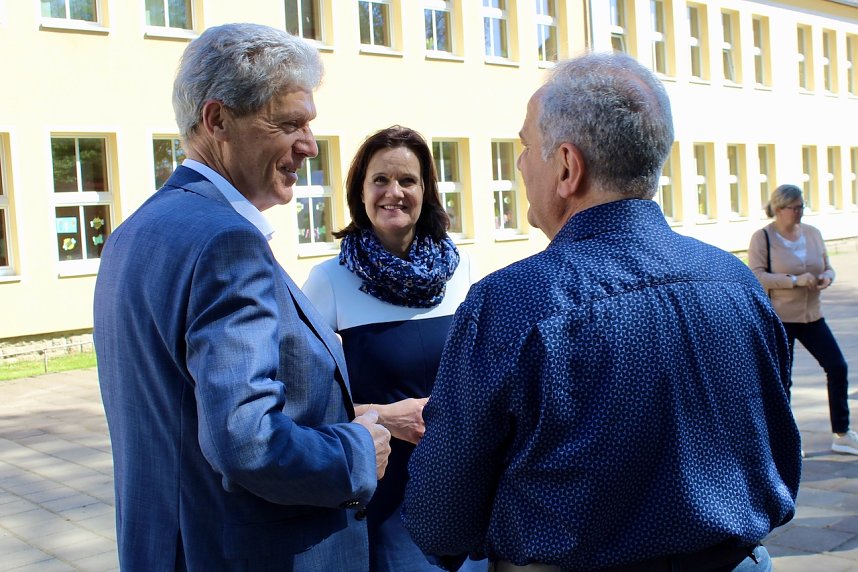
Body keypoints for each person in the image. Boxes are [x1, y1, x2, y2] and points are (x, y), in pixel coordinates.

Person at [402, 51, 801, 572]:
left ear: (567, 166)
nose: (520, 163)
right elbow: (777, 451)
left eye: (525, 147)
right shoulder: (736, 283)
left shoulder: (513, 302)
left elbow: (442, 517)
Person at [93, 23, 391, 571]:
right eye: (288, 123)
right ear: (217, 120)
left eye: (309, 124)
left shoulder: (135, 232)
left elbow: (182, 410)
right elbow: (247, 441)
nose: (309, 145)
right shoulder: (226, 242)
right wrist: (354, 453)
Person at [303, 126, 485, 571]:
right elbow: (303, 404)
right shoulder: (329, 283)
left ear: (426, 190)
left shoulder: (462, 272)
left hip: (464, 490)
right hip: (386, 497)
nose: (394, 192)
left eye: (408, 180)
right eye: (380, 180)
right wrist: (384, 416)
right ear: (360, 193)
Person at [749, 184, 855, 455]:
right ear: (778, 209)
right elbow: (757, 276)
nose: (798, 212)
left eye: (801, 207)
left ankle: (841, 433)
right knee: (783, 379)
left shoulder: (813, 233)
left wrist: (827, 277)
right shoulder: (763, 237)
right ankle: (786, 441)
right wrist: (795, 281)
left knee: (838, 367)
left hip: (812, 316)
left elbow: (828, 266)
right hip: (781, 319)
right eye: (793, 207)